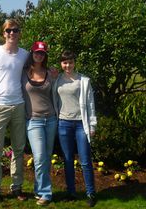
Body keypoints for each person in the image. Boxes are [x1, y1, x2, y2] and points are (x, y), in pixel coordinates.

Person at [0, 18, 29, 204]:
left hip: (18, 106)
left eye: (15, 30)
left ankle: (16, 187)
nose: (12, 33)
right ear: (4, 33)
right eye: (9, 30)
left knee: (18, 149)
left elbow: (37, 69)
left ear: (19, 33)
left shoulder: (25, 54)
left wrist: (52, 72)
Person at [53, 50, 97, 207]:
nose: (68, 65)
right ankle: (71, 192)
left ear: (74, 62)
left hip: (80, 125)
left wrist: (92, 124)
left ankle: (90, 193)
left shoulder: (83, 80)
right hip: (63, 123)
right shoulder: (57, 80)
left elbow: (90, 103)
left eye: (70, 62)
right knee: (68, 160)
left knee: (85, 161)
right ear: (61, 64)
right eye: (65, 62)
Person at [22, 41, 57, 206]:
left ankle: (38, 189)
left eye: (42, 53)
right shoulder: (23, 73)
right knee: (39, 157)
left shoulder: (50, 73)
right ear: (32, 53)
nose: (39, 55)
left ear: (45, 55)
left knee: (46, 158)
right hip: (33, 121)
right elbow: (8, 82)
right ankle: (45, 193)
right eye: (37, 52)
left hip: (50, 120)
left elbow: (58, 91)